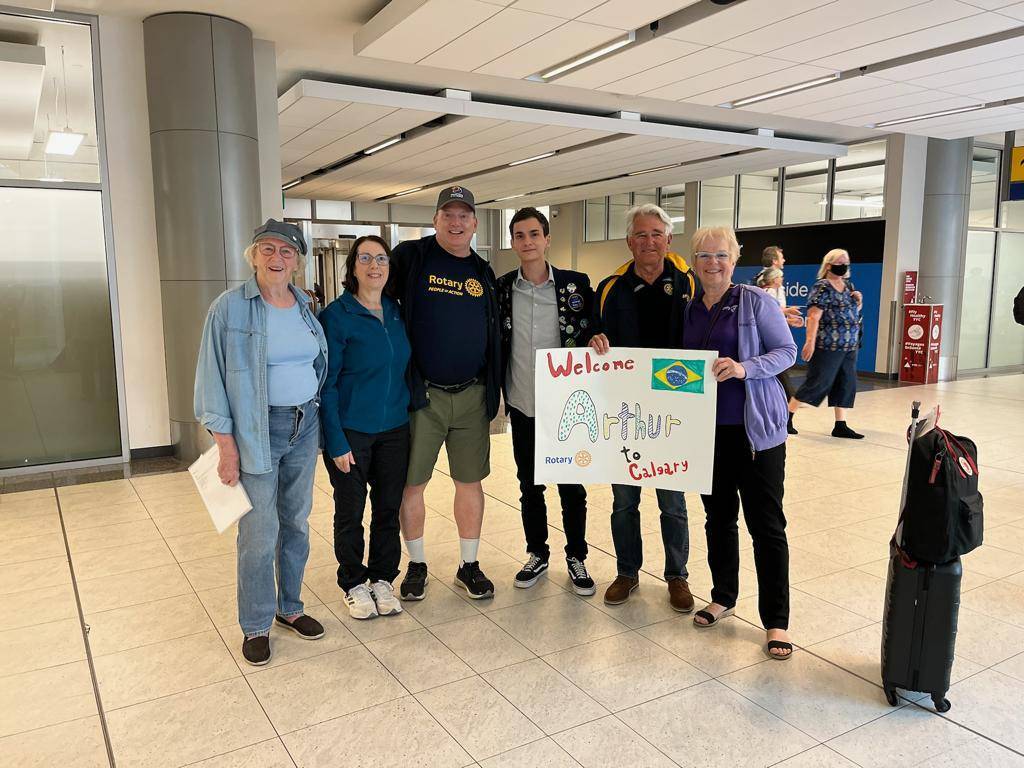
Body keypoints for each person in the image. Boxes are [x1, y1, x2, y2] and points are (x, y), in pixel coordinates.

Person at [194, 219, 328, 666]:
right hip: (257, 430)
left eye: (286, 252)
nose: (277, 259)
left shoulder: (304, 304)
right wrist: (226, 446)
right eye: (267, 250)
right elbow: (210, 382)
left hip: (304, 425)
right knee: (258, 531)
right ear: (253, 256)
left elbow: (316, 363)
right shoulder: (229, 309)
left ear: (297, 261)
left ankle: (290, 607)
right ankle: (256, 623)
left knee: (296, 522)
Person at [683, 226, 797, 660]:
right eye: (704, 256)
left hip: (756, 435)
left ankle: (776, 621)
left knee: (767, 527)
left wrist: (746, 367)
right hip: (707, 434)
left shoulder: (755, 301)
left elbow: (787, 352)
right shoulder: (690, 310)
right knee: (718, 519)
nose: (712, 263)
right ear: (694, 262)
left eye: (721, 255)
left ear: (734, 259)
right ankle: (723, 596)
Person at [389, 186, 502, 601]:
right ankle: (416, 564)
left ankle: (468, 565)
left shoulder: (482, 271)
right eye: (448, 215)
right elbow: (378, 301)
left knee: (469, 482)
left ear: (474, 223)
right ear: (435, 219)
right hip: (424, 396)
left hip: (472, 395)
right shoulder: (412, 258)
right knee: (412, 484)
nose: (456, 223)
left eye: (464, 216)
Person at [589, 203, 697, 611]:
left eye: (656, 234)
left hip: (674, 408)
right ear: (629, 241)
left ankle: (677, 576)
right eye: (641, 235)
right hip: (625, 412)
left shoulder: (689, 283)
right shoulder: (609, 288)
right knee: (624, 500)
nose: (649, 241)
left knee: (673, 500)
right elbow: (591, 335)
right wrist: (593, 340)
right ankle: (627, 571)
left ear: (669, 239)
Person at [496, 207, 595, 596]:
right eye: (519, 235)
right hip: (523, 403)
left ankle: (577, 555)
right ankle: (537, 552)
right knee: (529, 485)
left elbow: (593, 328)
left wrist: (598, 339)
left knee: (572, 487)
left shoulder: (576, 284)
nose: (527, 242)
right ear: (513, 242)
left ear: (547, 239)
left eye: (534, 234)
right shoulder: (503, 288)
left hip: (566, 407)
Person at [319, 236, 410, 620]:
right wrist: (335, 441)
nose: (375, 265)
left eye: (381, 259)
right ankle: (354, 582)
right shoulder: (336, 316)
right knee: (350, 511)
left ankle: (382, 578)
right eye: (365, 258)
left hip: (395, 429)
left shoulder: (396, 311)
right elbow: (326, 384)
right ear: (352, 267)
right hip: (351, 432)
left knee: (388, 509)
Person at [788, 248, 864, 439]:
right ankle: (786, 417)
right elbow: (813, 316)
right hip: (827, 345)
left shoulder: (848, 286)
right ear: (829, 265)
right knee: (817, 382)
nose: (844, 266)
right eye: (840, 263)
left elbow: (852, 312)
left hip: (848, 346)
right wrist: (809, 342)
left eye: (846, 262)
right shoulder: (822, 287)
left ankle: (840, 425)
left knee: (845, 383)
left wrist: (859, 302)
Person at [757, 267, 803, 434]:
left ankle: (784, 420)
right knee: (785, 387)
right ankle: (785, 421)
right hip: (770, 349)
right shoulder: (767, 292)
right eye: (780, 277)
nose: (782, 279)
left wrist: (788, 319)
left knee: (784, 386)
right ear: (774, 279)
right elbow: (768, 313)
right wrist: (787, 312)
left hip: (773, 348)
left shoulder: (773, 292)